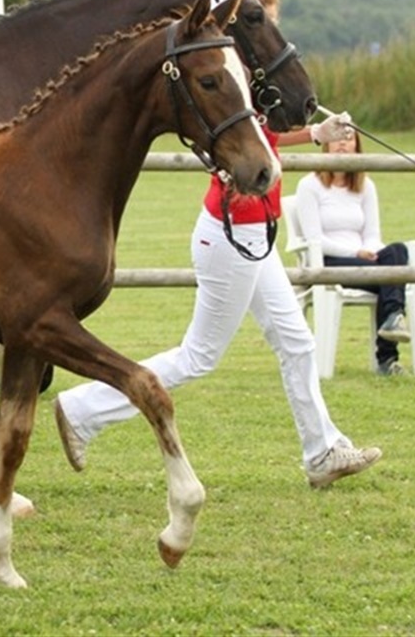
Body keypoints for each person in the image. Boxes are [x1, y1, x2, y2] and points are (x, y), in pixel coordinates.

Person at [53, 110, 382, 489]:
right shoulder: (233, 91)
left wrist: (315, 133)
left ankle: (322, 453)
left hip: (256, 234)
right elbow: (238, 138)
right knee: (198, 356)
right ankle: (82, 410)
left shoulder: (250, 93)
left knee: (297, 343)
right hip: (233, 235)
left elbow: (265, 133)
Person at [293, 130, 411, 375]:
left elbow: (372, 234)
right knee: (391, 279)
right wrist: (356, 252)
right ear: (326, 144)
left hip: (364, 260)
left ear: (357, 146)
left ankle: (394, 318)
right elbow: (315, 240)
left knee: (397, 251)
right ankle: (387, 357)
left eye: (348, 139)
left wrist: (370, 251)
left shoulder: (365, 186)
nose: (342, 143)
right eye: (337, 137)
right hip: (328, 261)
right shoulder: (309, 185)